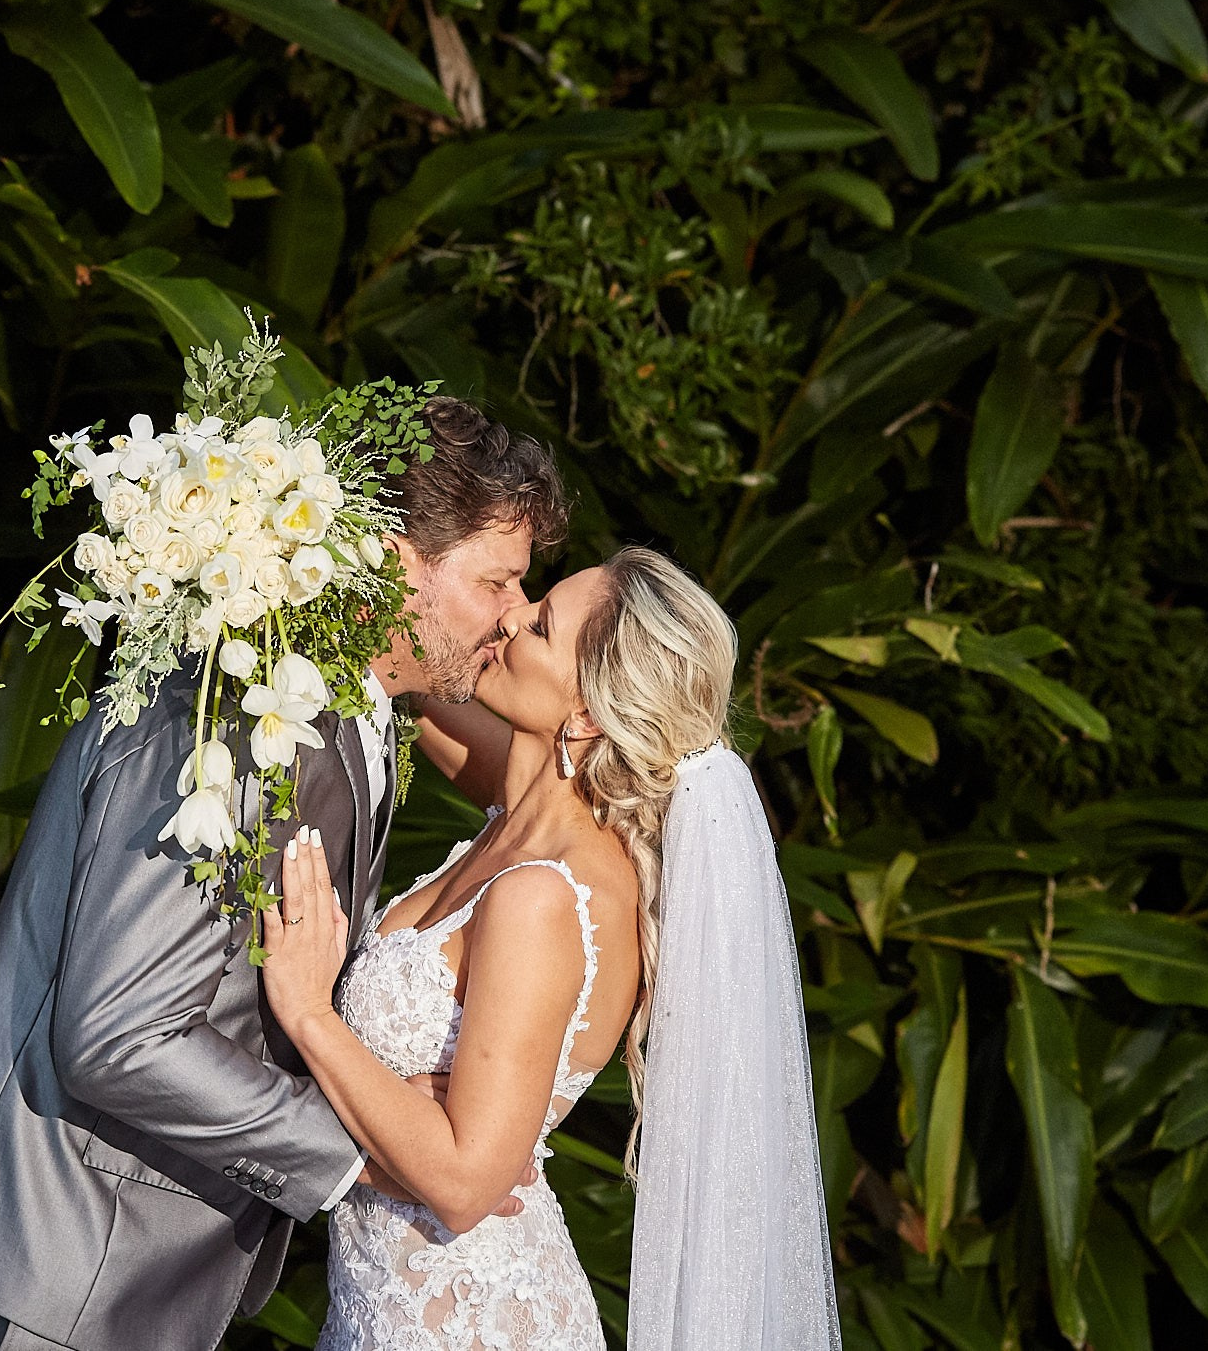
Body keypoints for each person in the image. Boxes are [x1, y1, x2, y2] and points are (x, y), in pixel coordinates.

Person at [0, 398, 569, 1351]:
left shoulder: (352, 707)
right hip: (52, 1258)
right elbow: (118, 1035)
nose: (516, 614)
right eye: (498, 581)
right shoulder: (235, 718)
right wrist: (360, 1159)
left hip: (117, 1276)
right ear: (399, 563)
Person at [261, 547, 841, 1351]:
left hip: (468, 1323)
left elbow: (465, 1182)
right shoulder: (522, 811)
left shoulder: (548, 895)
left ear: (589, 713)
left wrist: (309, 1014)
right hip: (387, 1308)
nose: (510, 614)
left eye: (539, 624)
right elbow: (409, 668)